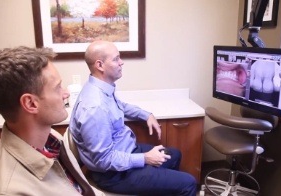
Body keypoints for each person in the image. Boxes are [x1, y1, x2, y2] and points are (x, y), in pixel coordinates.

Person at [0, 46, 104, 196]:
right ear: (31, 104)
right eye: (58, 87)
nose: (65, 93)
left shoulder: (51, 138)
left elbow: (82, 189)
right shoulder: (7, 191)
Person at [69, 40, 197, 195]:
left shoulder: (100, 89)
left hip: (126, 153)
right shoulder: (94, 108)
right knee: (189, 183)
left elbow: (120, 106)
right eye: (116, 59)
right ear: (100, 65)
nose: (121, 62)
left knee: (174, 155)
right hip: (114, 174)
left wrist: (146, 115)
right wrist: (144, 158)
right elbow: (103, 160)